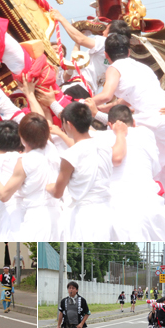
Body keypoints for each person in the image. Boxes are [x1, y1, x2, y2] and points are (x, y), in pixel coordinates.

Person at [92, 33, 165, 237]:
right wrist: (103, 107)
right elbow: (124, 102)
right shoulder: (142, 67)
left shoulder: (114, 68)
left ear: (107, 55)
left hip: (152, 119)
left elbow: (106, 95)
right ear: (128, 52)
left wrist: (88, 103)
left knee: (152, 165)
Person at [102, 104, 165, 241]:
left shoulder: (101, 138)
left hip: (114, 205)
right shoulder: (146, 133)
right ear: (134, 122)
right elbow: (155, 168)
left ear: (109, 125)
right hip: (148, 202)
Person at [0, 113, 60, 241]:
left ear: (22, 138)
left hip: (36, 217)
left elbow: (3, 195)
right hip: (57, 215)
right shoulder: (52, 148)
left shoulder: (24, 161)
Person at [47, 102, 114, 240]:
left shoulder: (70, 155)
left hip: (85, 216)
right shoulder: (105, 146)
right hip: (107, 212)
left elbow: (57, 192)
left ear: (69, 125)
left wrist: (46, 186)